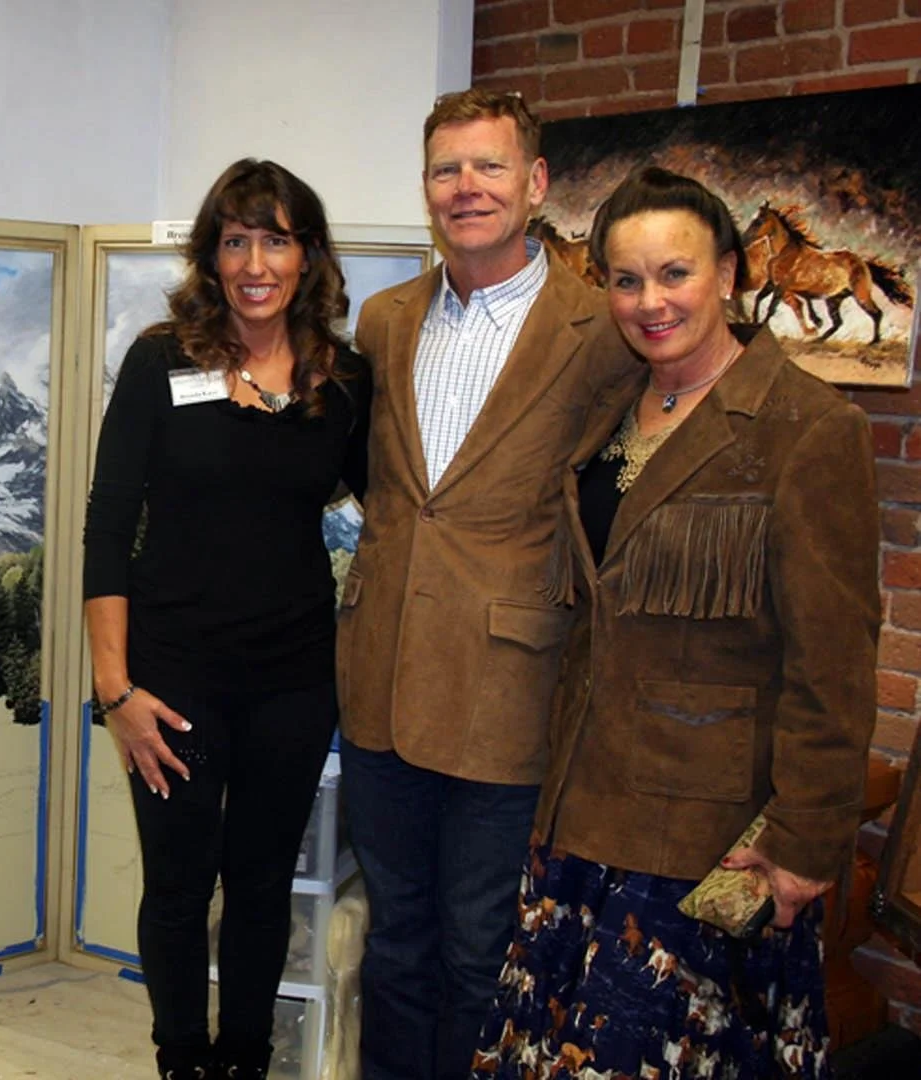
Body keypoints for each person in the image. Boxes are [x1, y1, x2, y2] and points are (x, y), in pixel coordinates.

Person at [472, 166, 878, 1078]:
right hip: (578, 813)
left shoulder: (808, 430)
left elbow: (835, 661)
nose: (649, 302)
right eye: (624, 279)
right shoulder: (610, 416)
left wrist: (808, 843)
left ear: (729, 274)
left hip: (702, 840)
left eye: (674, 273)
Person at [336, 88, 636, 1079]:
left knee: (478, 951)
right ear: (426, 190)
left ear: (536, 183)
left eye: (489, 166)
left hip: (505, 692)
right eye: (446, 170)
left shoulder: (601, 330)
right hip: (379, 682)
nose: (467, 188)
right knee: (393, 944)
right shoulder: (383, 322)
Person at [82, 158, 371, 1080]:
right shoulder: (159, 360)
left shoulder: (343, 379)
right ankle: (181, 1059)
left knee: (259, 886)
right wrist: (113, 689)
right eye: (236, 239)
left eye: (275, 239)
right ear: (211, 256)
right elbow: (105, 524)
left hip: (293, 679)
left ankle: (243, 1061)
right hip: (170, 679)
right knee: (176, 886)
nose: (255, 261)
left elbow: (403, 514)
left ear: (307, 256)